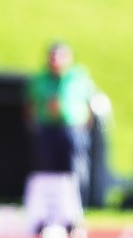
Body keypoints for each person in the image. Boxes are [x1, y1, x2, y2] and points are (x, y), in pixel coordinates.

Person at [25, 40, 97, 205]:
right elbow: (31, 103)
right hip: (47, 128)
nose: (55, 60)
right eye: (52, 56)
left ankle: (77, 209)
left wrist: (86, 125)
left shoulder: (78, 76)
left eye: (60, 56)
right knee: (47, 170)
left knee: (75, 169)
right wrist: (33, 123)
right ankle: (49, 208)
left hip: (73, 129)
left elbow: (90, 102)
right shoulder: (40, 78)